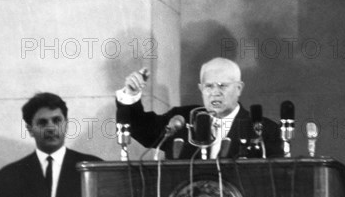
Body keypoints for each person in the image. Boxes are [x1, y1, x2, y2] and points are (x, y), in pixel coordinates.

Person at [116, 58, 283, 159]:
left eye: (222, 86)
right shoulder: (181, 119)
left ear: (239, 88)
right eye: (209, 86)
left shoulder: (264, 129)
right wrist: (131, 95)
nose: (215, 93)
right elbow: (140, 129)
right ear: (201, 88)